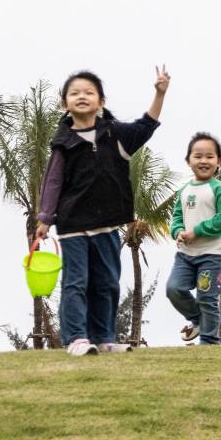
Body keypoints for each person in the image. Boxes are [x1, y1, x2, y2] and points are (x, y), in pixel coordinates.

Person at [35, 67, 170, 355]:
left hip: (107, 224)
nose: (81, 96)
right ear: (65, 104)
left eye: (88, 92)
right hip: (73, 226)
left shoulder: (116, 134)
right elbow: (53, 182)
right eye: (74, 93)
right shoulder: (63, 143)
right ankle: (76, 338)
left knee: (107, 283)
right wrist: (45, 219)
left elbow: (146, 126)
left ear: (101, 102)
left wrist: (159, 94)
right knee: (76, 283)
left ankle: (104, 337)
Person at [167, 133, 221, 345]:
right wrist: (178, 231)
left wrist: (197, 231)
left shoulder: (220, 190)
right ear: (188, 161)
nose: (203, 161)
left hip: (215, 254)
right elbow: (177, 218)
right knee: (174, 289)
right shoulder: (184, 191)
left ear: (219, 162)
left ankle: (209, 342)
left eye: (210, 156)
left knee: (207, 298)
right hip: (186, 254)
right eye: (198, 156)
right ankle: (196, 319)